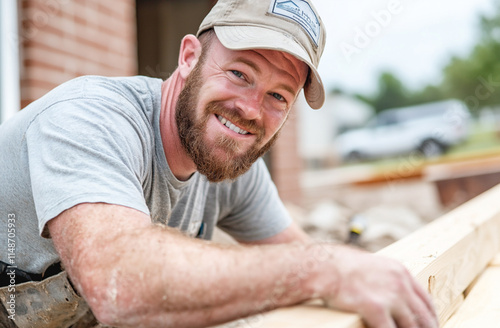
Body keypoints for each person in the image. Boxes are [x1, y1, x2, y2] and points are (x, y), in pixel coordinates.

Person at [0, 0, 438, 327]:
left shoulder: (229, 161)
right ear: (189, 57)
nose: (250, 109)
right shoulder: (88, 119)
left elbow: (300, 254)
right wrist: (323, 269)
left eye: (278, 96)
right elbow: (118, 281)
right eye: (240, 74)